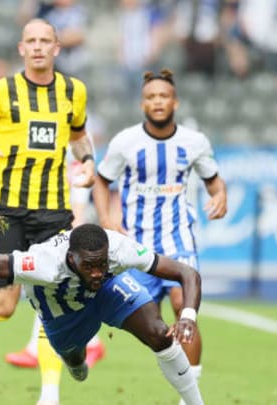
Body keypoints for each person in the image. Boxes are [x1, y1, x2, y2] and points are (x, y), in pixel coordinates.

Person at [0, 18, 96, 405]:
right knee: (6, 307)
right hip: (7, 211)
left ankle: (49, 394)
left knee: (52, 297)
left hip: (54, 212)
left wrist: (90, 161)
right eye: (32, 41)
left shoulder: (72, 92)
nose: (39, 47)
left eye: (46, 40)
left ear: (57, 48)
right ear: (21, 49)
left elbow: (78, 137)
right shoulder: (1, 91)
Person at [0, 223, 205, 405]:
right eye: (89, 265)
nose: (97, 271)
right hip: (62, 313)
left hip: (110, 293)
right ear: (71, 258)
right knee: (76, 363)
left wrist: (188, 315)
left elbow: (185, 272)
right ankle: (74, 360)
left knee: (159, 333)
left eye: (101, 263)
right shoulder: (42, 263)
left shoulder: (118, 250)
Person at [92, 69, 227, 405]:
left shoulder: (194, 142)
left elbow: (213, 180)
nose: (157, 102)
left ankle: (189, 398)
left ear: (174, 101)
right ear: (143, 104)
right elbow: (100, 180)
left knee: (184, 307)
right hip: (137, 246)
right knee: (150, 324)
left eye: (163, 96)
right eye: (151, 97)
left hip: (179, 237)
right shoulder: (125, 142)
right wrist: (108, 219)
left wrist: (219, 195)